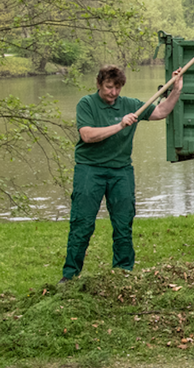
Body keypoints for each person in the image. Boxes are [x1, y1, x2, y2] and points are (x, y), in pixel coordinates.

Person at [62, 64, 184, 282]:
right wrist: (120, 125)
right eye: (109, 87)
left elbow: (161, 112)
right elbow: (87, 135)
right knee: (82, 223)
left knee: (123, 224)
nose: (114, 92)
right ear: (99, 84)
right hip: (90, 170)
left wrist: (176, 89)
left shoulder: (131, 105)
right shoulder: (87, 104)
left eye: (118, 87)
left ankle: (123, 274)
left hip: (121, 172)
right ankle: (70, 275)